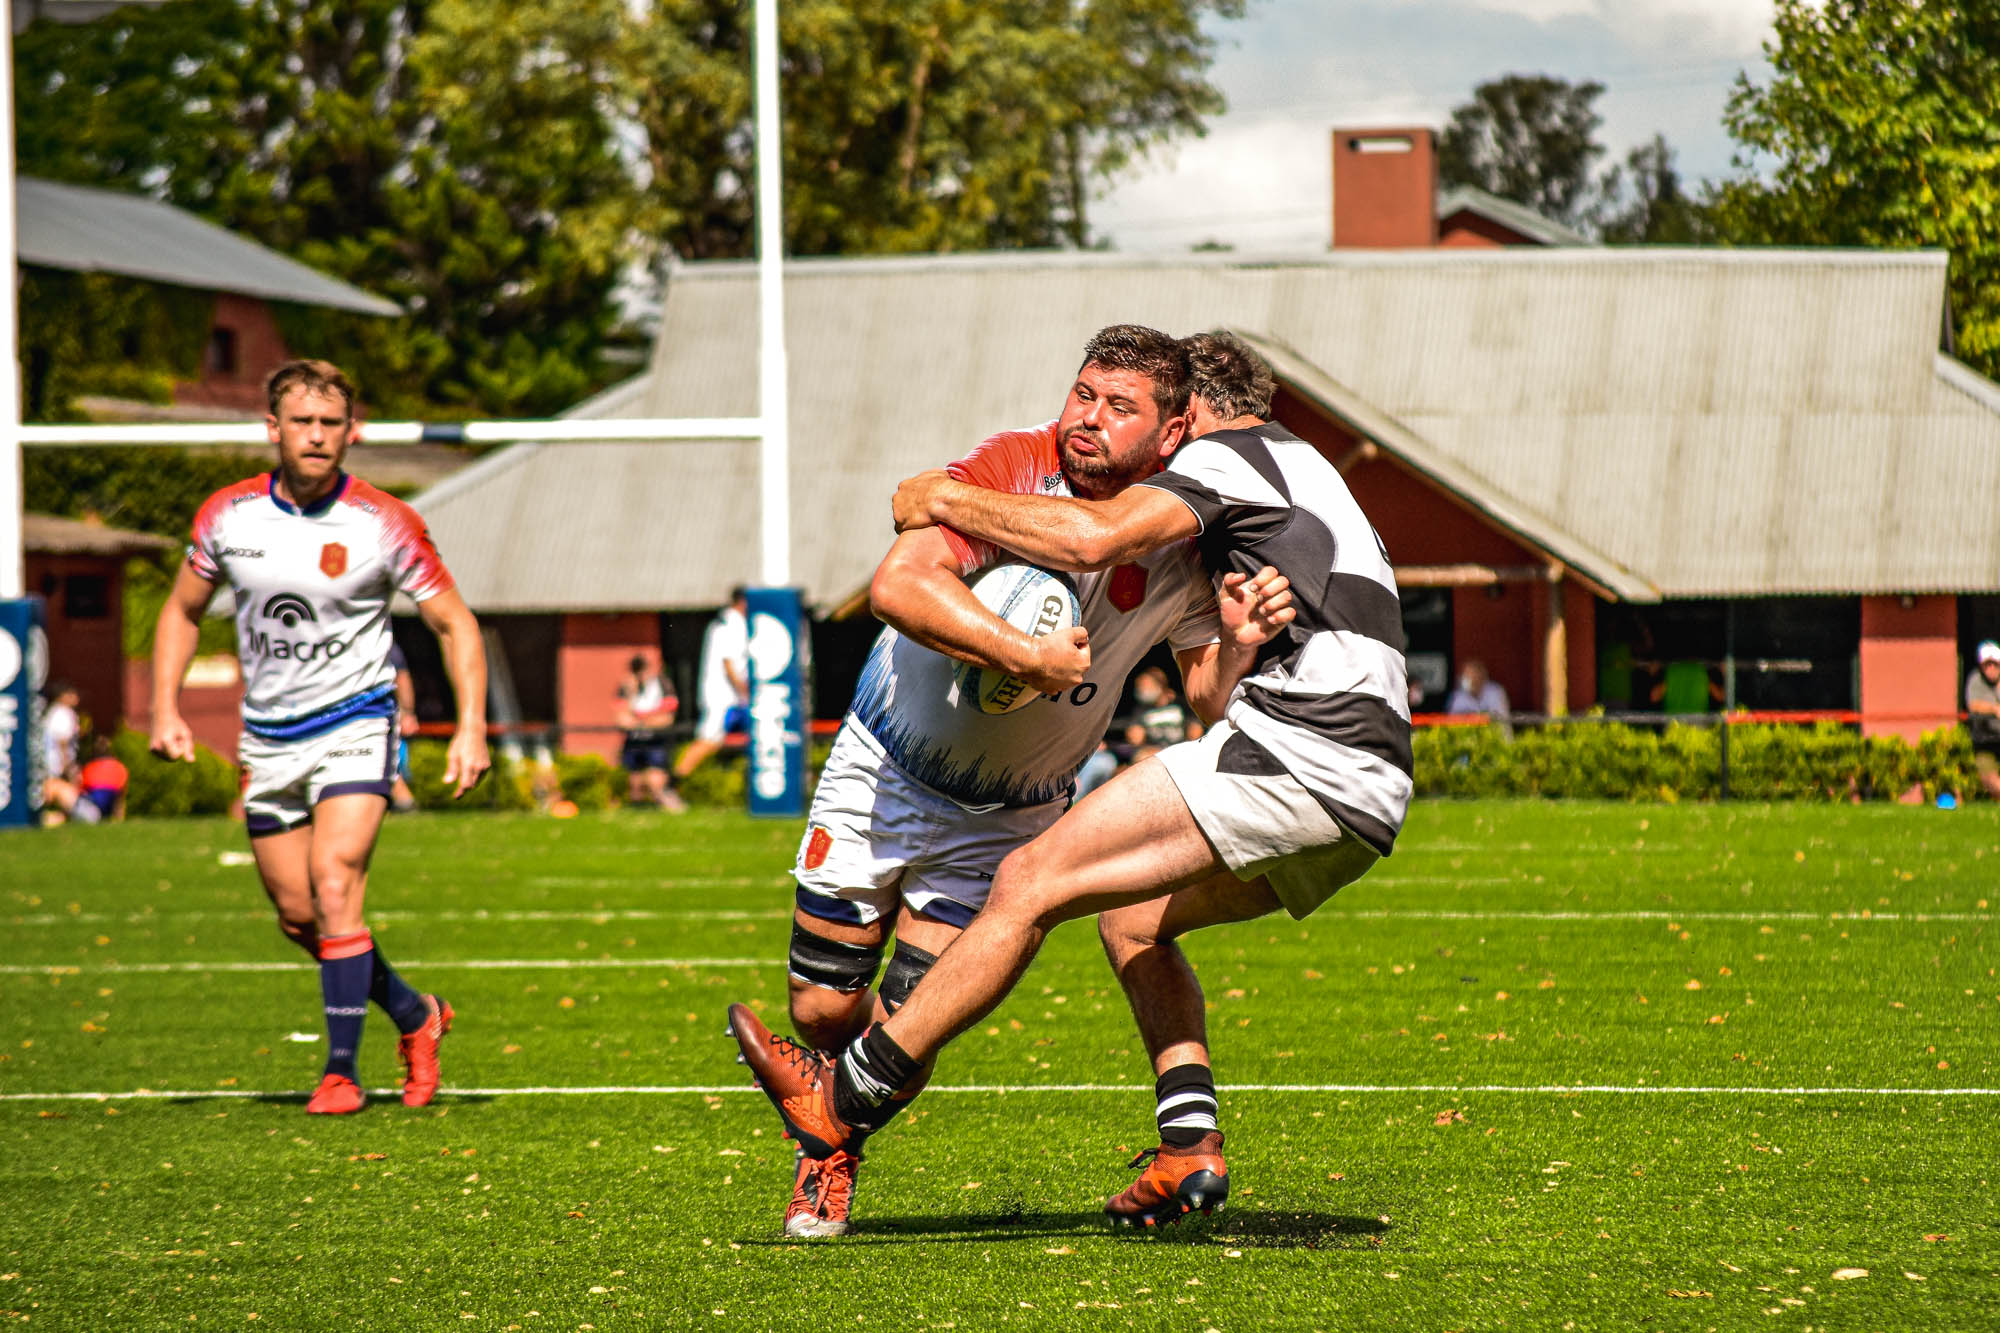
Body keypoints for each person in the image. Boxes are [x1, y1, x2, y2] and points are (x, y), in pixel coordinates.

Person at [731, 329, 1406, 1230]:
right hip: (887, 767)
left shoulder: (1204, 499)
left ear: (1180, 429)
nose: (1087, 416)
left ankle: (833, 1128)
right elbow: (897, 585)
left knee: (970, 949)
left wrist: (937, 496)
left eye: (1119, 406)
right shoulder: (1018, 466)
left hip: (1080, 790)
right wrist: (1022, 647)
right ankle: (1186, 1148)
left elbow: (1127, 589)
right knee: (829, 1001)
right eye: (1082, 393)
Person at [151, 358, 491, 1115]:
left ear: (353, 432)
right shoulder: (226, 517)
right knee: (298, 913)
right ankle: (414, 1013)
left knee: (337, 886)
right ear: (271, 429)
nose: (315, 436)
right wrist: (164, 709)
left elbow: (452, 620)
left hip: (357, 721)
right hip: (269, 735)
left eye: (330, 424)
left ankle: (340, 1070)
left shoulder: (386, 521)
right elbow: (179, 611)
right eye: (301, 422)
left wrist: (470, 726)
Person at [672, 589, 749, 786]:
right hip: (723, 698)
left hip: (728, 697)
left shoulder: (722, 624)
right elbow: (729, 664)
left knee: (751, 738)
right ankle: (672, 783)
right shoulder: (731, 625)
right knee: (710, 739)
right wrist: (745, 691)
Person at [617, 651, 683, 810]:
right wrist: (631, 694)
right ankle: (639, 814)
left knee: (656, 782)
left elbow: (667, 718)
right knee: (635, 785)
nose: (641, 674)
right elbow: (622, 719)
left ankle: (672, 808)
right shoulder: (626, 687)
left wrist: (639, 722)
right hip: (634, 742)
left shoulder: (663, 685)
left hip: (656, 741)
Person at [1965, 641, 2000, 801]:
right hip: (1985, 741)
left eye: (1995, 664)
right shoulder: (1975, 681)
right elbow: (1973, 705)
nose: (1991, 668)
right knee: (1990, 780)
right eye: (1987, 665)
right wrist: (1994, 709)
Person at [388, 640, 419, 813]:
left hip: (382, 715)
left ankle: (404, 802)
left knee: (392, 760)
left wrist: (407, 713)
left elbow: (402, 678)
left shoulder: (390, 646)